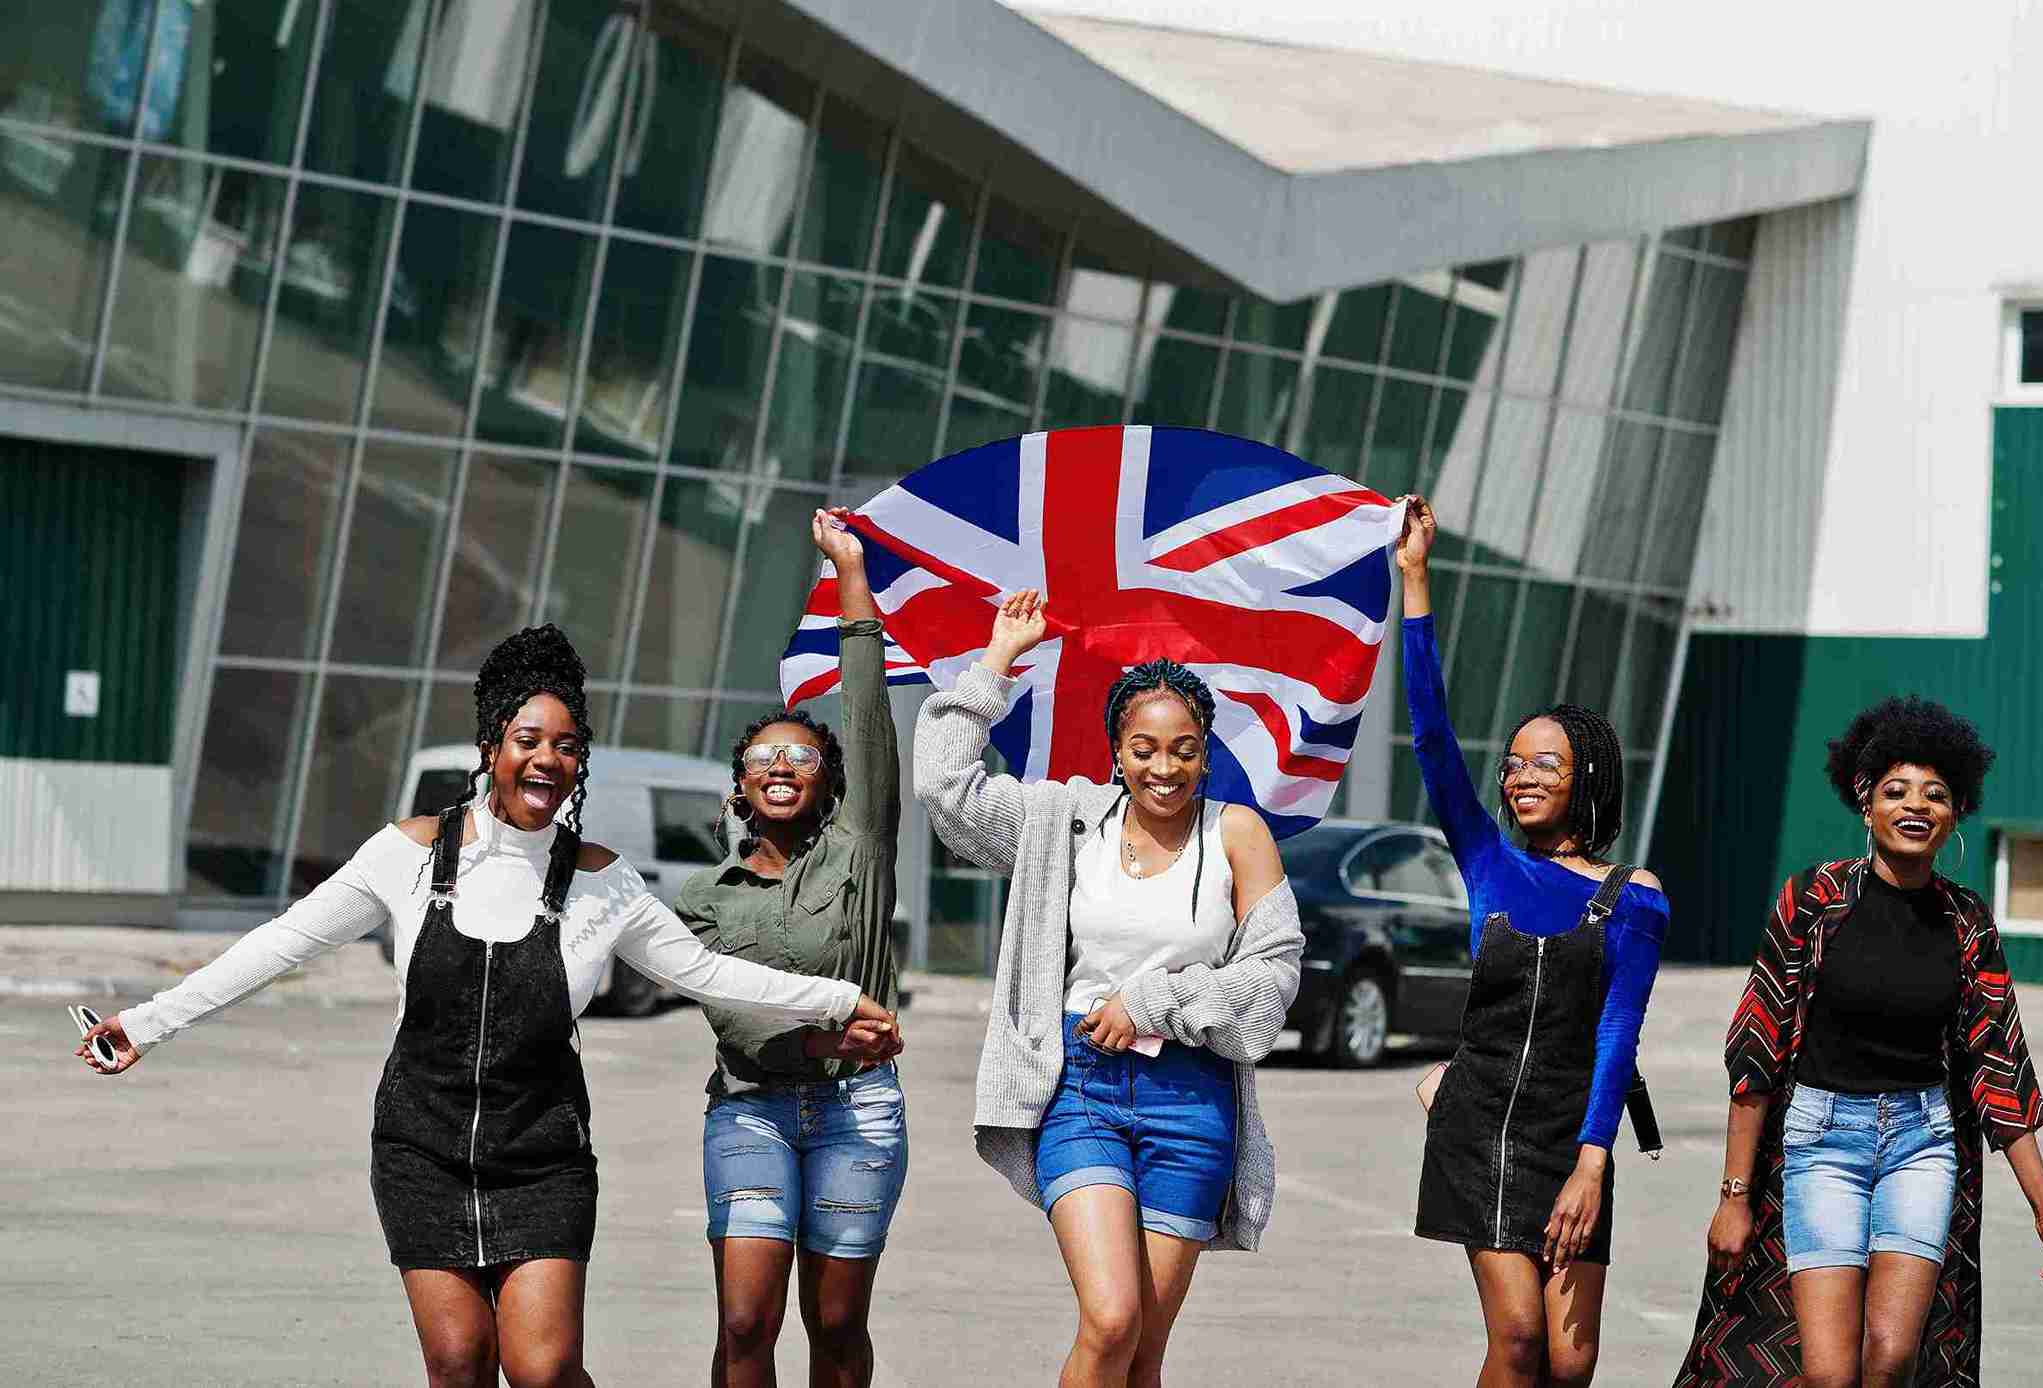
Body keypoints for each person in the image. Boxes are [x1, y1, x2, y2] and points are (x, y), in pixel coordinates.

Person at [75, 624, 895, 1388]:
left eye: (566, 746)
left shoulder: (604, 882)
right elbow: (281, 944)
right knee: (460, 1363)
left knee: (543, 1369)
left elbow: (708, 973)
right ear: (491, 747)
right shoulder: (405, 854)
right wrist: (147, 1022)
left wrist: (836, 998)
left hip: (542, 1157)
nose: (547, 759)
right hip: (420, 1149)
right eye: (528, 740)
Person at [913, 588, 1302, 1388]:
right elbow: (944, 786)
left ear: (1204, 753)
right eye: (1144, 748)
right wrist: (996, 661)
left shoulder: (1236, 832)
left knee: (1143, 1355)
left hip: (1192, 1099)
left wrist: (1153, 1001)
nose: (1165, 768)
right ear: (1116, 751)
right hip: (1081, 1087)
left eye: (1184, 750)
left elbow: (1274, 973)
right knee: (1111, 1319)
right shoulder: (1063, 819)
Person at [1675, 697, 2043, 1388]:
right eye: (1896, 791)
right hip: (1819, 1144)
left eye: (1936, 794)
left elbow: (2000, 1068)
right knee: (1829, 1373)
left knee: (1892, 1356)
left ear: (1956, 814)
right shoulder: (1812, 899)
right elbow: (1755, 1050)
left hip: (1922, 1146)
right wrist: (1734, 1195)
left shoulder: (1966, 920)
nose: (1915, 805)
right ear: (1866, 805)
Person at [1395, 495, 1668, 1388]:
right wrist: (1415, 578)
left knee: (1571, 1363)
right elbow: (1430, 734)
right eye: (1511, 763)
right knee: (1517, 1342)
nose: (1518, 777)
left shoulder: (1633, 897)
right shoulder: (1486, 861)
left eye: (1542, 763)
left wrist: (1593, 1160)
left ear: (1587, 776)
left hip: (1569, 1136)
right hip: (1478, 1130)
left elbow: (1616, 1032)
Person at [675, 508, 907, 1388]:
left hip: (859, 1110)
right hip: (749, 1110)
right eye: (765, 756)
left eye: (802, 757)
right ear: (740, 784)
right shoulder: (703, 898)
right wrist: (816, 1035)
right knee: (745, 1322)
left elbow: (865, 708)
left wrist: (849, 574)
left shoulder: (861, 848)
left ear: (830, 782)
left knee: (838, 1324)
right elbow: (730, 1014)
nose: (781, 765)